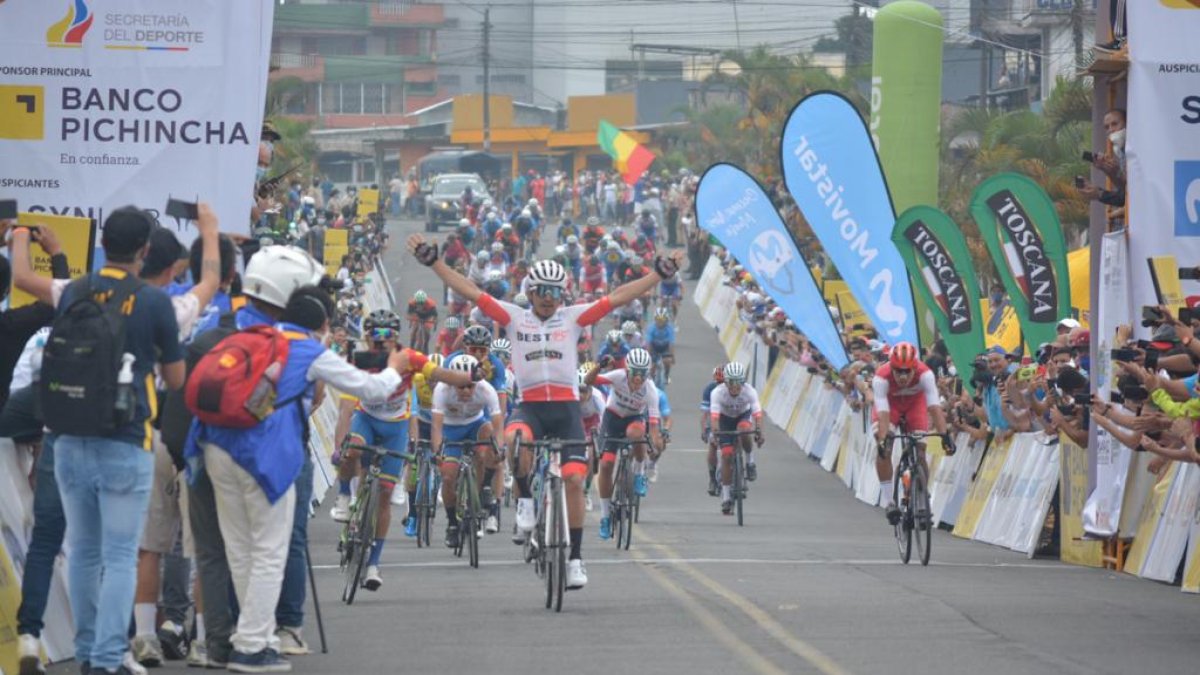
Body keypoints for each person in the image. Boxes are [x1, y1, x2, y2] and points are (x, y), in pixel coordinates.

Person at [409, 233, 681, 590]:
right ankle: (524, 501)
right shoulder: (513, 316)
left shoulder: (571, 317)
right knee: (513, 439)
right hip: (531, 408)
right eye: (543, 291)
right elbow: (472, 291)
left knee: (572, 479)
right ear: (532, 291)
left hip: (566, 409)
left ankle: (576, 560)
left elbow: (617, 297)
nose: (550, 299)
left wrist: (658, 275)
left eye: (556, 292)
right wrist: (435, 263)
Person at [45, 207, 186, 675]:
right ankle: (107, 658)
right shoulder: (152, 301)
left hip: (68, 435)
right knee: (121, 554)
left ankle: (87, 650)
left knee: (82, 549)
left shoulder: (75, 291)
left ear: (103, 242)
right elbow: (175, 377)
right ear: (145, 251)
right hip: (127, 438)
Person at [330, 309, 477, 592]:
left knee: (385, 494)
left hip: (395, 428)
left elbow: (441, 374)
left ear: (396, 337)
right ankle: (345, 494)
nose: (382, 340)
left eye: (388, 335)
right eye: (376, 334)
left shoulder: (409, 357)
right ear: (367, 336)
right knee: (353, 450)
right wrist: (339, 446)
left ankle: (373, 564)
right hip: (367, 419)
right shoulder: (358, 360)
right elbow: (346, 409)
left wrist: (469, 376)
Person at [870, 342, 953, 525]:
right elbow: (883, 412)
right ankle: (889, 501)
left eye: (908, 371)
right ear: (890, 366)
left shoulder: (926, 374)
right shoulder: (881, 377)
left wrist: (944, 435)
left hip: (915, 405)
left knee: (920, 449)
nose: (902, 376)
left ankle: (922, 499)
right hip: (890, 408)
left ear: (915, 368)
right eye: (898, 370)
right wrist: (883, 440)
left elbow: (934, 407)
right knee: (885, 446)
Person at [585, 349, 662, 540]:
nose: (638, 378)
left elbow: (653, 426)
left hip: (634, 420)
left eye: (642, 374)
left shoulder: (650, 390)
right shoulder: (618, 376)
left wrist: (653, 445)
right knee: (606, 464)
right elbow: (589, 381)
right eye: (634, 373)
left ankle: (639, 472)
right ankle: (605, 516)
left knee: (636, 434)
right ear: (627, 371)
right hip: (613, 418)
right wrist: (599, 366)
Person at [431, 354, 504, 546]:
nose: (465, 390)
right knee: (447, 477)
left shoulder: (486, 389)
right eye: (461, 386)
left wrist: (498, 449)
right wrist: (438, 452)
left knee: (487, 443)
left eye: (470, 386)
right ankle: (452, 524)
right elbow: (437, 427)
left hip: (475, 425)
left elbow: (497, 424)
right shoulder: (442, 389)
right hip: (450, 429)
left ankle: (483, 488)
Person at [708, 362, 763, 515]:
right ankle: (726, 498)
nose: (735, 386)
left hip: (742, 416)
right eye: (731, 382)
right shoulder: (717, 393)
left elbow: (758, 414)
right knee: (725, 456)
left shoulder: (749, 391)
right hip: (725, 420)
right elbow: (714, 418)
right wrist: (716, 433)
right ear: (725, 382)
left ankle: (750, 461)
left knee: (745, 430)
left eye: (738, 382)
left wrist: (759, 431)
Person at [700, 365, 725, 496]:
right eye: (718, 382)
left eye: (724, 383)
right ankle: (712, 479)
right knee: (713, 444)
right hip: (715, 417)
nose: (721, 385)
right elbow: (705, 414)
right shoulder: (710, 389)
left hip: (730, 416)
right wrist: (704, 429)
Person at [646, 308, 675, 385]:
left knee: (667, 361)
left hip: (664, 347)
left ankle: (666, 375)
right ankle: (651, 379)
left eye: (663, 320)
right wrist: (648, 356)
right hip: (654, 347)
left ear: (666, 320)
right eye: (658, 320)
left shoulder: (669, 328)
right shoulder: (651, 328)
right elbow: (649, 344)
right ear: (655, 320)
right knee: (652, 365)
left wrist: (672, 356)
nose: (660, 322)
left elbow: (671, 344)